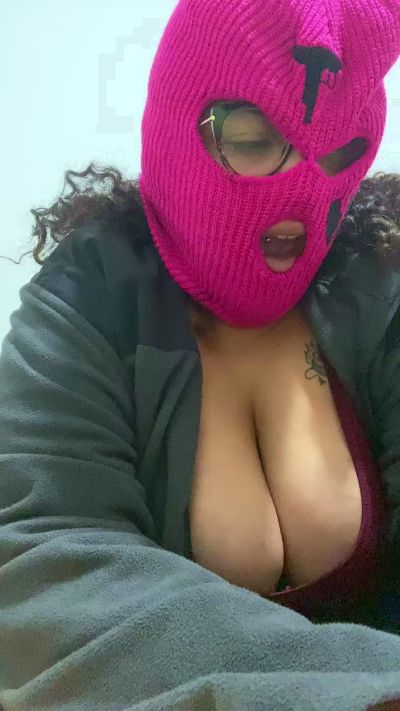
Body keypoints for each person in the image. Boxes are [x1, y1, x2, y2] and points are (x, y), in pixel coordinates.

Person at [1, 0, 400, 708]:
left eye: (339, 150)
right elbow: (39, 562)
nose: (301, 188)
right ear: (178, 127)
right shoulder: (88, 298)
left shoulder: (375, 281)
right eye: (252, 139)